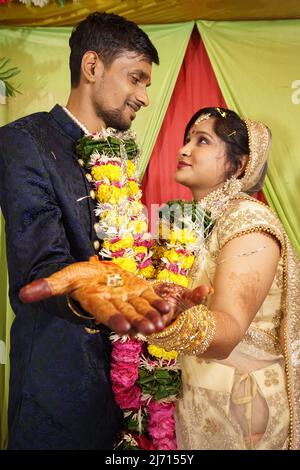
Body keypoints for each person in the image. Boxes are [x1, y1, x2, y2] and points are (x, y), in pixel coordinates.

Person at [0, 12, 171, 450]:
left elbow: (125, 257)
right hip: (58, 395)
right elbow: (41, 265)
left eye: (147, 84)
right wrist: (93, 286)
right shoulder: (24, 141)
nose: (144, 97)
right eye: (136, 79)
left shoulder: (119, 156)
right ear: (91, 67)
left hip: (119, 391)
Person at [149, 107, 300, 450]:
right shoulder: (187, 224)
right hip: (199, 397)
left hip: (242, 404)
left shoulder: (246, 219)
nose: (184, 150)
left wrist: (176, 317)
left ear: (241, 163)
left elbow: (229, 328)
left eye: (202, 141)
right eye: (187, 140)